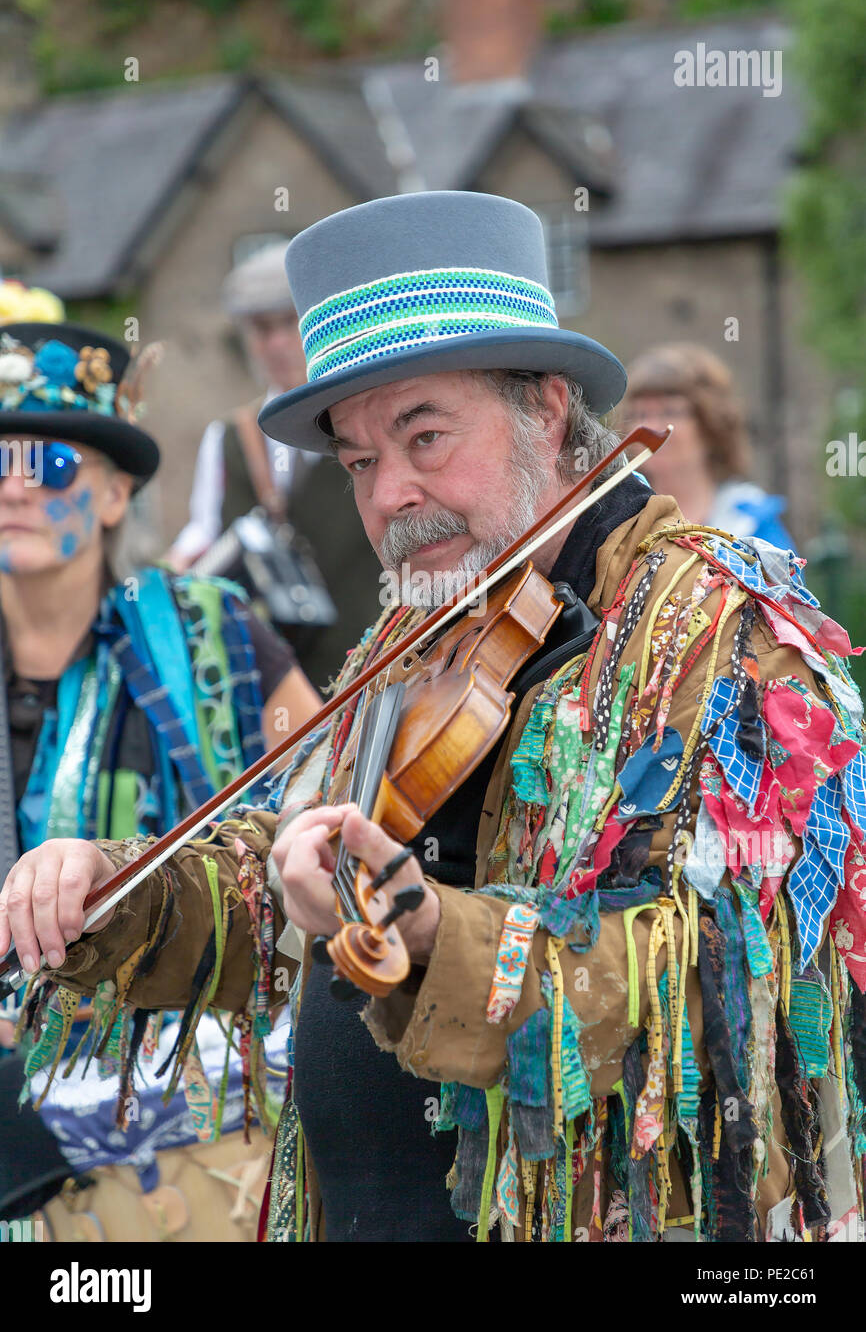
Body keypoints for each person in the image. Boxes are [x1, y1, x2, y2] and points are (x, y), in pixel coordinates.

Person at [2, 192, 865, 1244]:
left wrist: (427, 935)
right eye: (360, 461)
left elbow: (729, 988)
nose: (390, 495)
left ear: (546, 409)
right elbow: (294, 869)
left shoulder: (723, 632)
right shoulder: (417, 628)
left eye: (423, 436)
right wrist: (123, 891)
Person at [0, 318, 320, 1240]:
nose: (17, 488)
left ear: (113, 493)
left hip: (186, 1133)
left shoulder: (215, 631)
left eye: (52, 466)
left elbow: (321, 794)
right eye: (0, 464)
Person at [167, 240, 383, 692]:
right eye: (263, 329)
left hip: (375, 666)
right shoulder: (226, 437)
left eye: (291, 323)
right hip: (274, 684)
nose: (279, 343)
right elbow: (203, 532)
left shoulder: (372, 426)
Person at [619, 342, 796, 550]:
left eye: (669, 412)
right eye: (639, 415)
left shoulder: (752, 525)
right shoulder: (618, 521)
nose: (650, 427)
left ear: (710, 425)